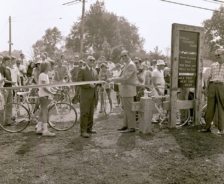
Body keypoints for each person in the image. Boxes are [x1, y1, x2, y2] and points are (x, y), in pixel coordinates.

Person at [107, 50, 137, 133]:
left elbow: (125, 78)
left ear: (129, 55)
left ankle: (131, 127)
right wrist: (113, 80)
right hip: (125, 90)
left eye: (125, 55)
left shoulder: (131, 65)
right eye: (122, 56)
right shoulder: (126, 65)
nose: (124, 57)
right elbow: (121, 77)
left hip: (129, 90)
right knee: (126, 109)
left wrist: (112, 79)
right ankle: (126, 125)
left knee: (130, 109)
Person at [201, 48, 224, 134]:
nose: (217, 57)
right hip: (212, 85)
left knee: (221, 107)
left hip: (222, 86)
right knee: (210, 107)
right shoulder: (213, 65)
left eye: (219, 55)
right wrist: (207, 88)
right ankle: (207, 127)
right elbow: (209, 77)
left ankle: (221, 129)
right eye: (216, 55)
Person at [77, 56, 98, 138]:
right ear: (86, 61)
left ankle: (89, 128)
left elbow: (96, 81)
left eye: (93, 60)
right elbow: (79, 81)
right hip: (85, 95)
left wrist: (100, 83)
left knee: (91, 113)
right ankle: (83, 131)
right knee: (84, 113)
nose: (92, 61)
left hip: (93, 95)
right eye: (90, 60)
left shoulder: (95, 71)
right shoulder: (82, 70)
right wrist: (89, 85)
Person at [36, 61, 56, 136]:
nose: (50, 66)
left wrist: (52, 90)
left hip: (44, 95)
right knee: (45, 112)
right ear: (46, 67)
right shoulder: (43, 75)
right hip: (43, 95)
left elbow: (47, 86)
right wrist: (51, 92)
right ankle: (45, 130)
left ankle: (39, 128)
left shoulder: (45, 75)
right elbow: (44, 87)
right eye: (49, 65)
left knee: (42, 112)